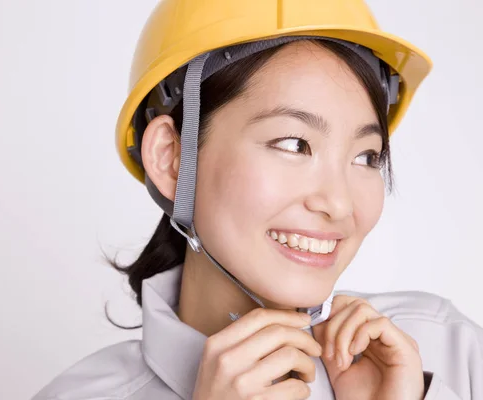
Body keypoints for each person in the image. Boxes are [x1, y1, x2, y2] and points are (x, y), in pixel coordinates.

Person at [32, 0, 483, 399]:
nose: (340, 204)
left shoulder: (447, 354)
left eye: (366, 156)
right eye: (293, 145)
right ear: (172, 159)